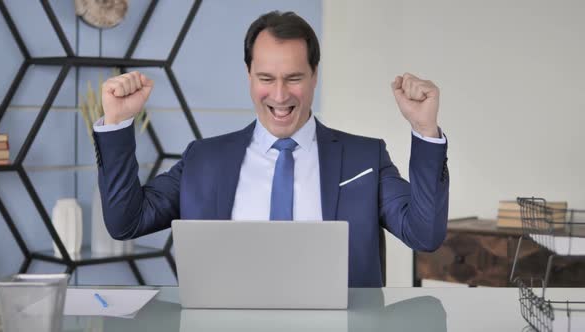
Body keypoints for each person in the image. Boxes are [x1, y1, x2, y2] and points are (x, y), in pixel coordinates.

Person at [93, 11, 449, 288]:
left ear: (314, 75)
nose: (280, 96)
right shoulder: (203, 159)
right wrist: (118, 123)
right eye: (266, 79)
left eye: (294, 78)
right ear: (249, 75)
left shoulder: (364, 158)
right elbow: (127, 222)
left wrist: (423, 130)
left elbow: (424, 234)